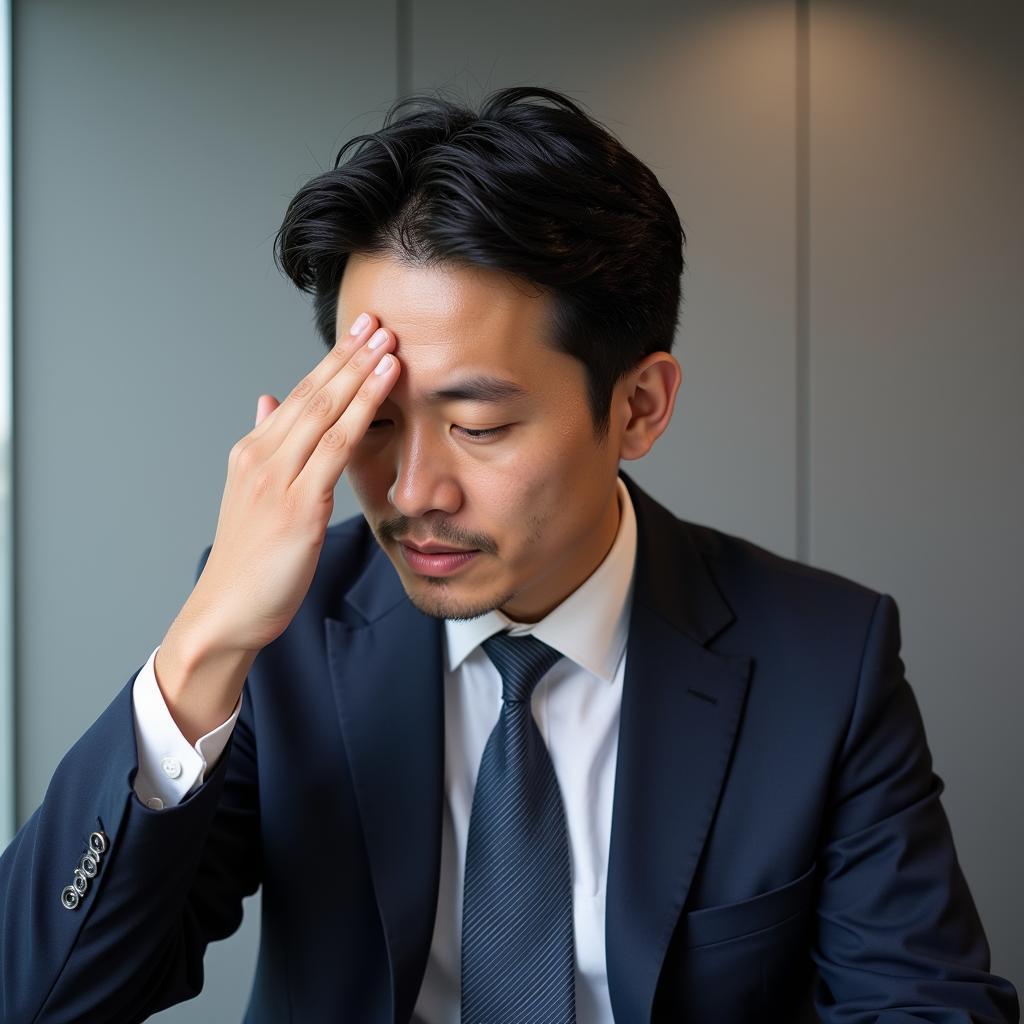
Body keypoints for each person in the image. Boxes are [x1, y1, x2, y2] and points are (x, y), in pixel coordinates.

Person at [0, 85, 1018, 1024]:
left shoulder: (821, 659)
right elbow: (42, 995)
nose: (411, 494)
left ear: (638, 406)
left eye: (478, 426)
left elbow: (923, 1005)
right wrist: (202, 647)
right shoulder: (286, 632)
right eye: (375, 423)